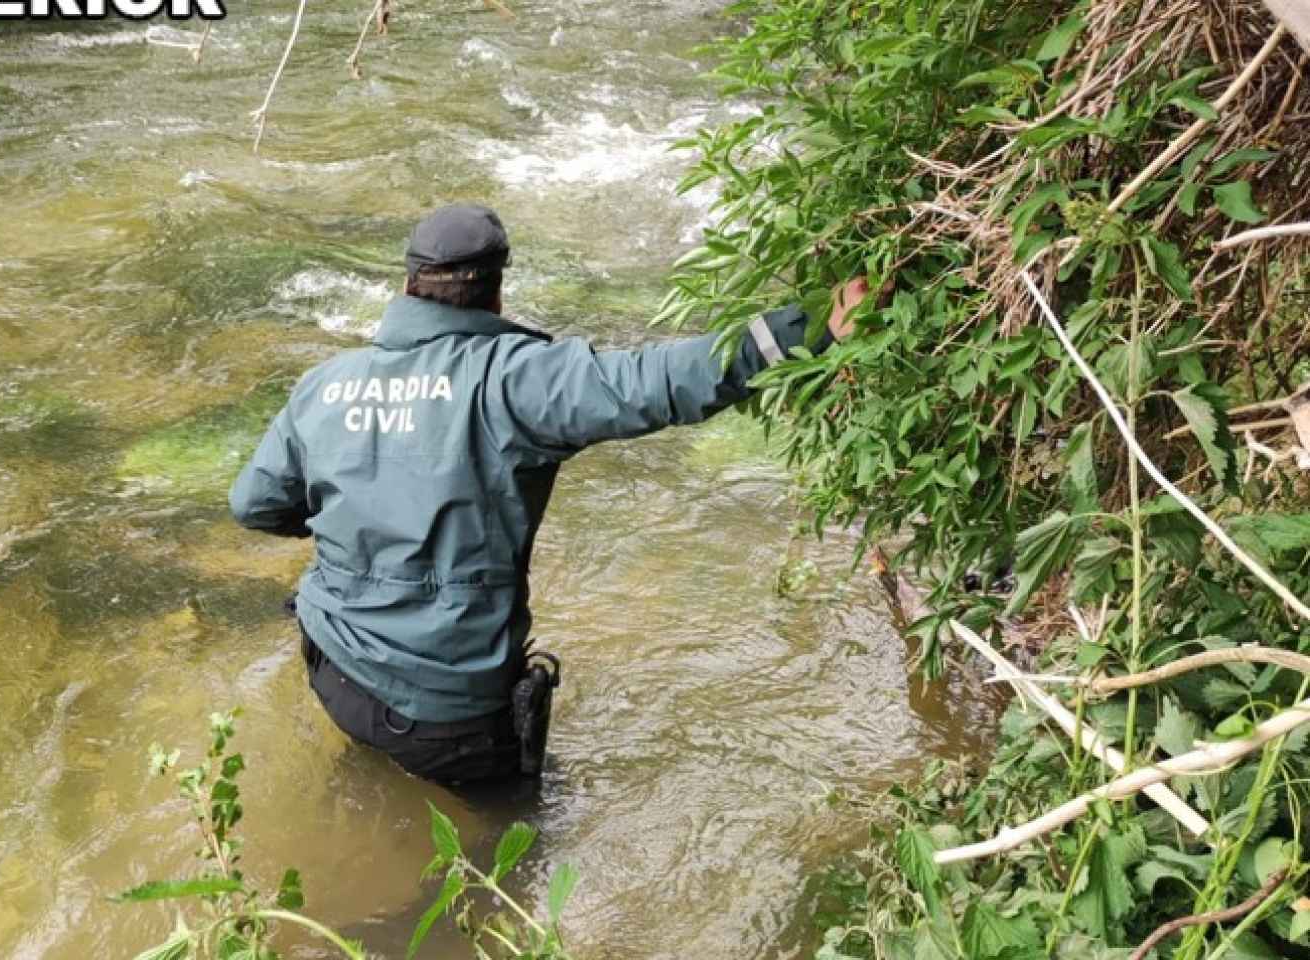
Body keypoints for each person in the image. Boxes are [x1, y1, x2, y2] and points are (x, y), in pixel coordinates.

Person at [229, 203, 870, 784]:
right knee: (512, 854)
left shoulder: (325, 384)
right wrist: (810, 326)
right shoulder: (517, 381)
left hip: (332, 667)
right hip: (450, 721)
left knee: (365, 798)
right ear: (496, 292)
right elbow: (662, 381)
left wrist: (357, 518)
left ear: (407, 285)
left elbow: (253, 504)